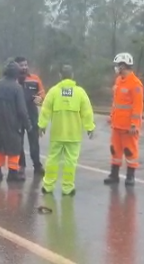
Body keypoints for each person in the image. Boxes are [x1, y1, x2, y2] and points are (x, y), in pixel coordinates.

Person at [38, 65, 95, 195]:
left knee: (52, 159)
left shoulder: (53, 91)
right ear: (72, 75)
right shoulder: (80, 92)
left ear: (60, 76)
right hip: (73, 135)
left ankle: (48, 186)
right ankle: (67, 188)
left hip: (57, 133)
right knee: (71, 162)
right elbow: (87, 112)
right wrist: (90, 127)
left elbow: (45, 110)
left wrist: (42, 125)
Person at [0, 61, 31, 182]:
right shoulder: (17, 88)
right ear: (16, 74)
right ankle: (12, 174)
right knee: (14, 148)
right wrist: (28, 125)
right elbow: (22, 110)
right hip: (13, 124)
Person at [104, 52, 144, 186]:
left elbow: (138, 107)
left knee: (130, 151)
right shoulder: (119, 81)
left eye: (118, 65)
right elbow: (116, 103)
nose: (117, 68)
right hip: (117, 125)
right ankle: (114, 175)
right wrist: (111, 117)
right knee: (115, 150)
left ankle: (130, 176)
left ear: (124, 66)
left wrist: (134, 125)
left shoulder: (135, 84)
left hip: (128, 127)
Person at [14, 56, 46, 177]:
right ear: (17, 66)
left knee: (34, 142)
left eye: (26, 65)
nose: (24, 67)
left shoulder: (35, 79)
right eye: (22, 65)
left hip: (32, 115)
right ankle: (21, 166)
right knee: (19, 142)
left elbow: (42, 93)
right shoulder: (14, 80)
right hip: (17, 116)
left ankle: (37, 165)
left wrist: (39, 99)